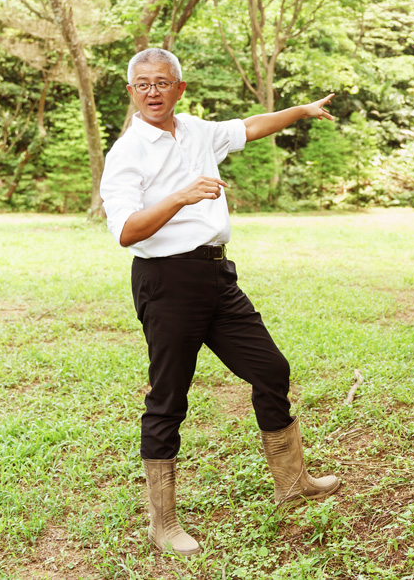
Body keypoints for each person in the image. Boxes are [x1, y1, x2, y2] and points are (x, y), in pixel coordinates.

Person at [100, 47, 341, 557]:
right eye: (142, 84)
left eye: (162, 82)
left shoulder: (197, 130)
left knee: (271, 368)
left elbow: (251, 126)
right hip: (165, 282)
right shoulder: (127, 153)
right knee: (169, 399)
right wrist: (181, 196)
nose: (152, 91)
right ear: (131, 92)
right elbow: (125, 231)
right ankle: (162, 524)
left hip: (216, 276)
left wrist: (300, 111)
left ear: (179, 88)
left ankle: (292, 482)